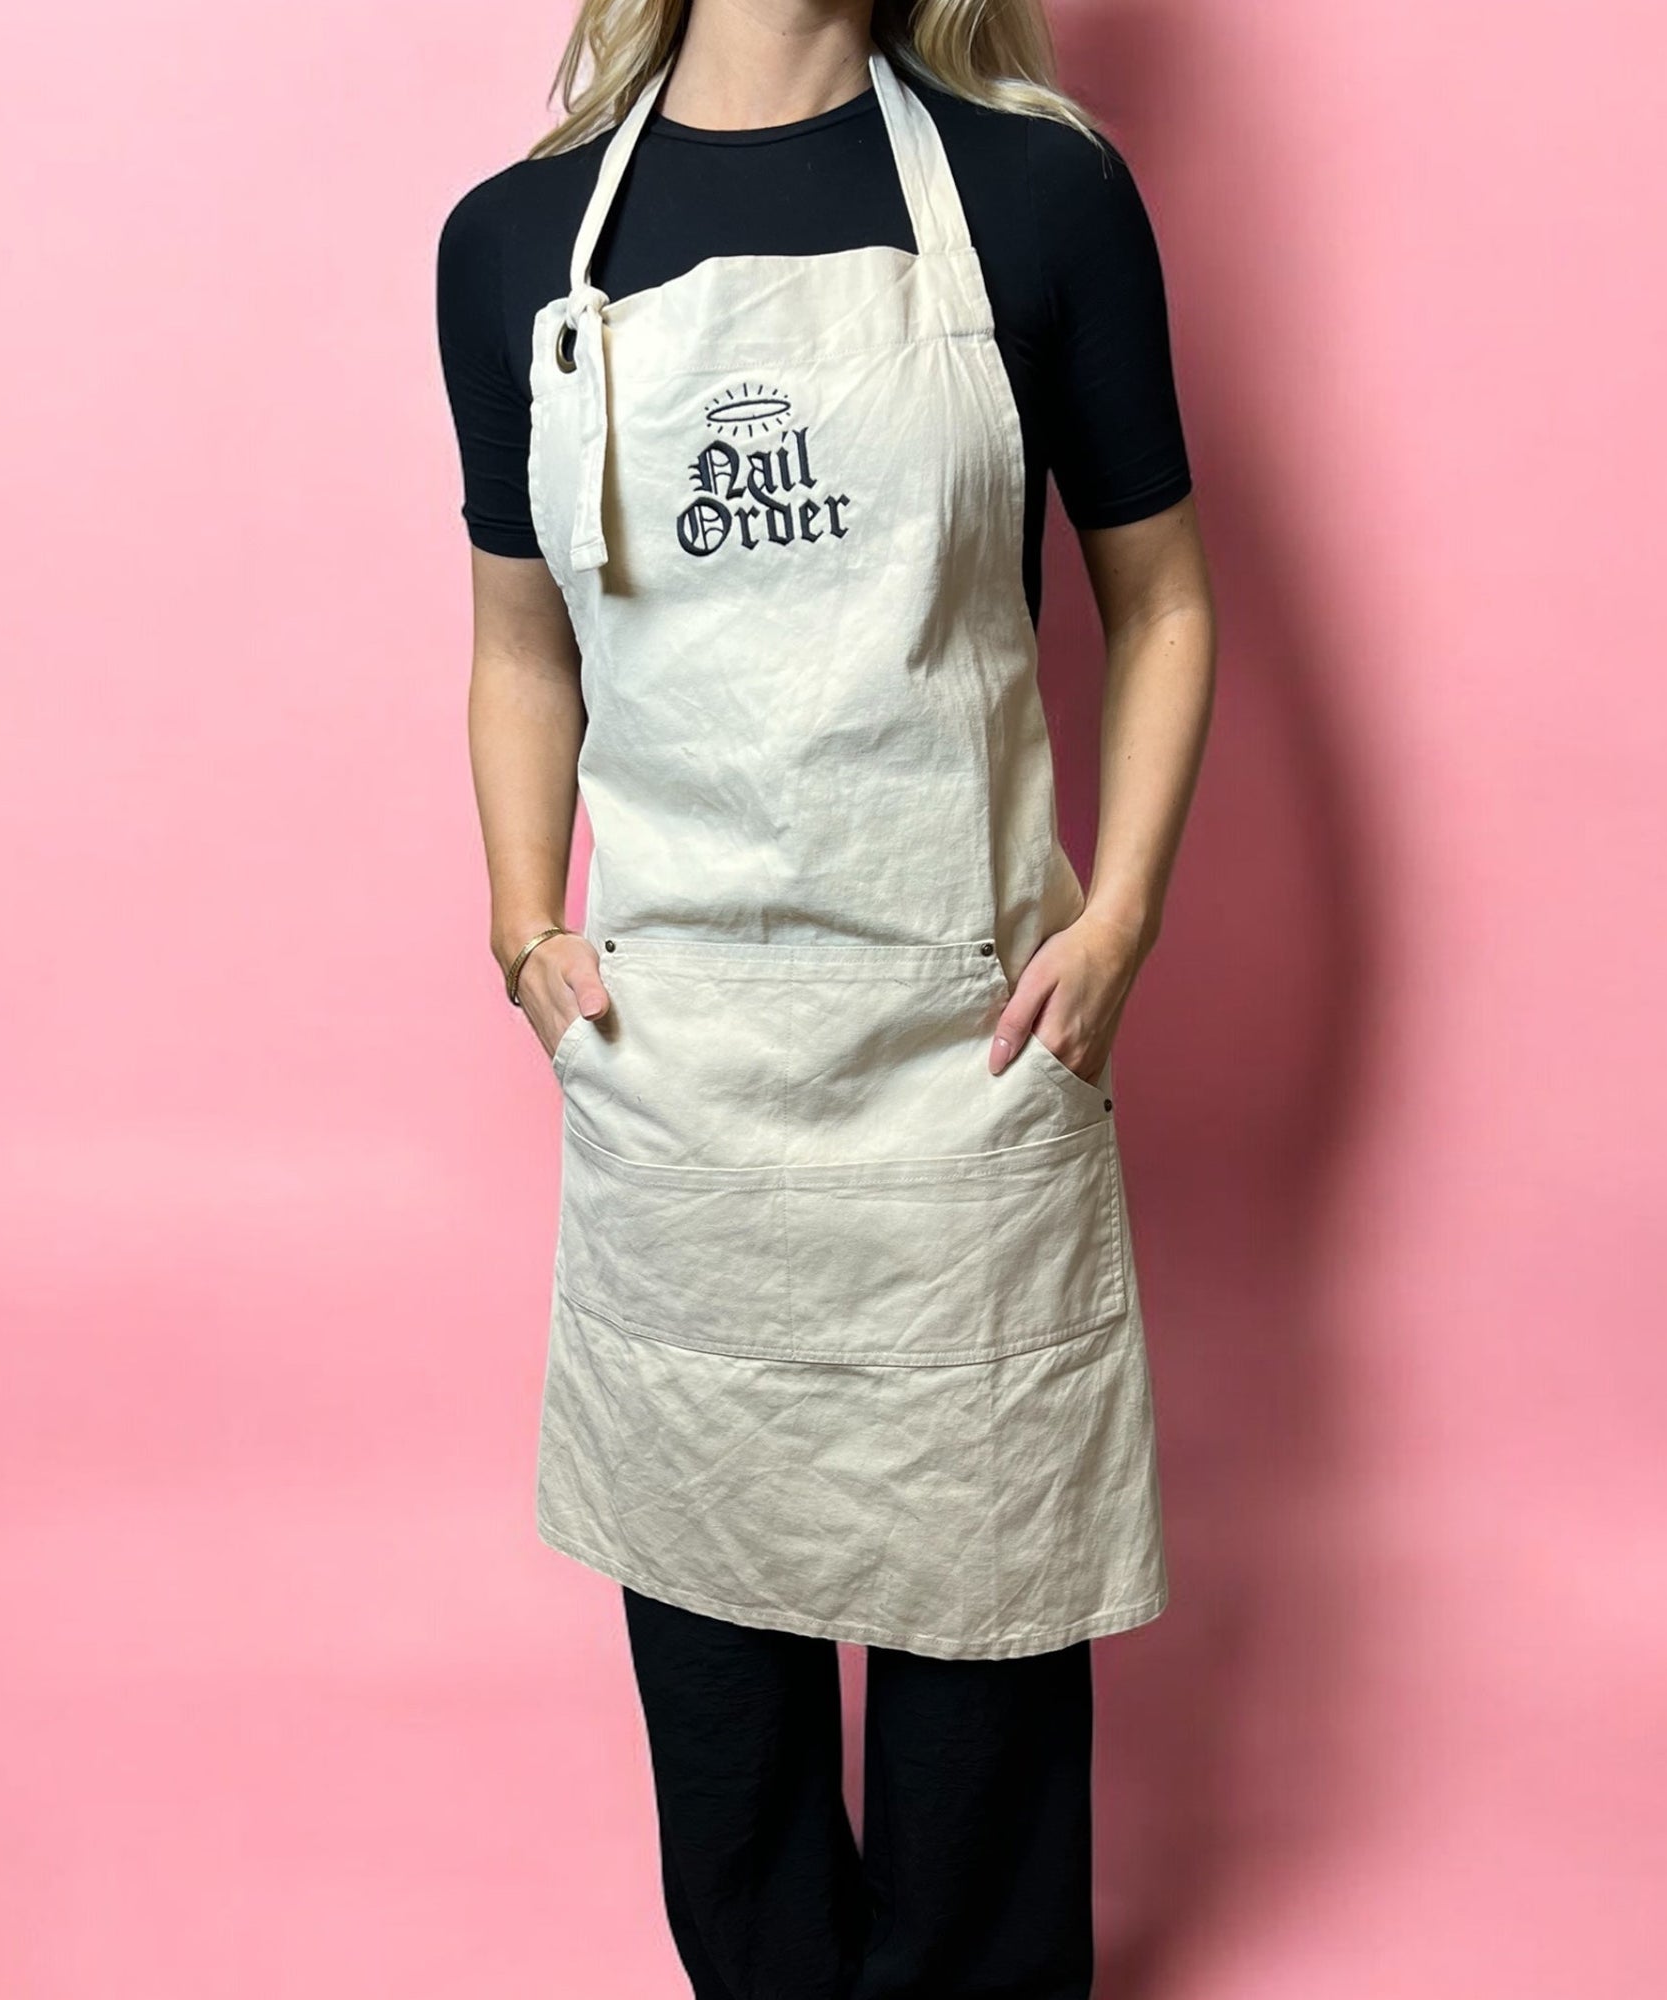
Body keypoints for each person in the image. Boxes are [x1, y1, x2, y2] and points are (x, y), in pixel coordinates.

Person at [436, 1, 1215, 1991]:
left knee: (985, 1614)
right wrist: (527, 931)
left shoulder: (1041, 195)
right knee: (712, 1646)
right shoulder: (516, 245)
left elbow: (1160, 597)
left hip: (965, 1043)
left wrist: (1121, 917)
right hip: (676, 1051)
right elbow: (520, 644)